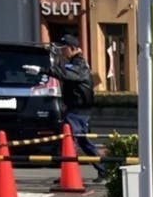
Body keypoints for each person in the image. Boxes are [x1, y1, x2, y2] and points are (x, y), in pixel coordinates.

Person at [33, 34, 105, 180]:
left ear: (72, 48)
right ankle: (101, 170)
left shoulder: (79, 64)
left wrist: (43, 70)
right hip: (76, 110)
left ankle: (71, 174)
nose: (62, 52)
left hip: (78, 111)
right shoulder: (74, 62)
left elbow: (66, 74)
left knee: (69, 141)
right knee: (80, 142)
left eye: (64, 49)